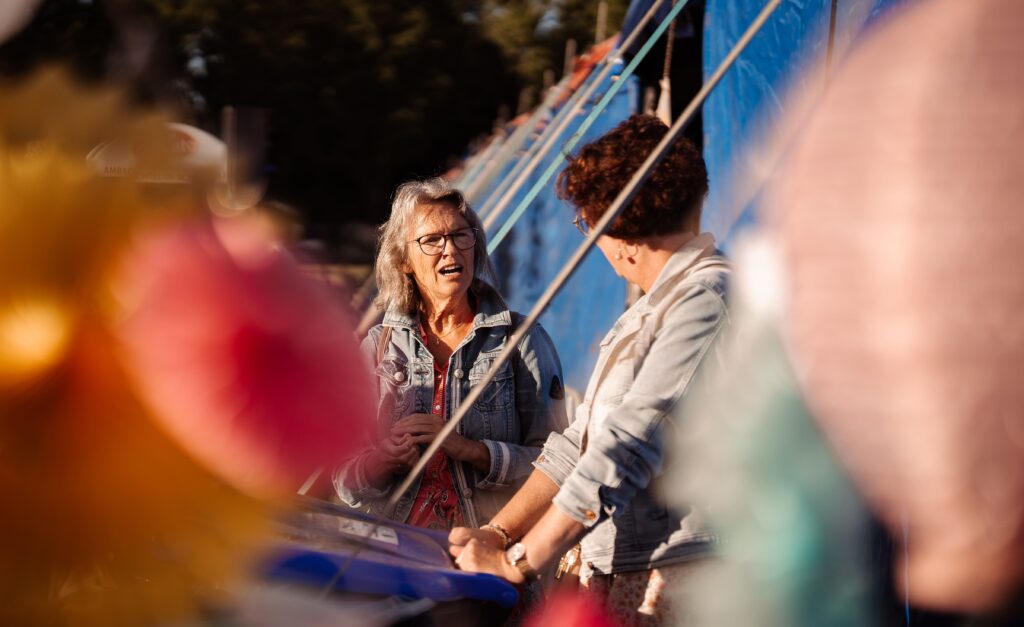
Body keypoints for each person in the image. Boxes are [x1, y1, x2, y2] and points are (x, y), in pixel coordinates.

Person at [449, 115, 730, 626]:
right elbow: (578, 445)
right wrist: (498, 533)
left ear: (620, 229)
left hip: (676, 580)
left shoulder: (704, 301)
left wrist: (519, 562)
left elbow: (628, 444)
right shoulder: (652, 308)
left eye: (588, 224)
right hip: (630, 570)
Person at [334, 178, 567, 530]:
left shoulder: (521, 340)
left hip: (484, 544)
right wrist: (382, 460)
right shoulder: (380, 346)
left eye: (461, 235)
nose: (451, 250)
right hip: (398, 547)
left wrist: (468, 449)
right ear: (404, 261)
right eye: (432, 240)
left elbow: (558, 464)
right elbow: (344, 481)